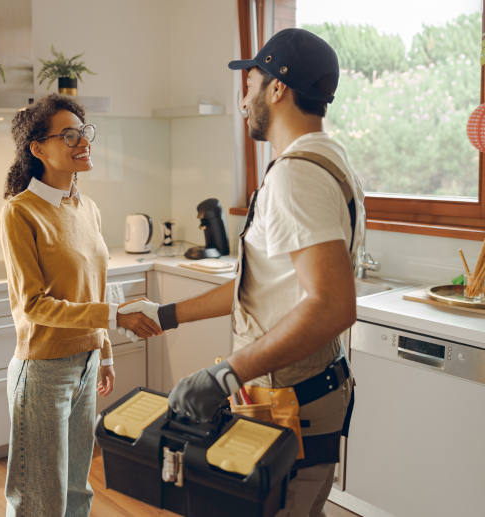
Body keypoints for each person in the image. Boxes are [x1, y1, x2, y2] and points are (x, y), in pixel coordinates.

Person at [120, 29, 366, 517]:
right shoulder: (330, 158)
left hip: (292, 398)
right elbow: (264, 288)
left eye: (251, 83)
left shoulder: (296, 175)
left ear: (278, 89)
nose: (244, 99)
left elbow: (333, 304)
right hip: (309, 390)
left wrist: (226, 375)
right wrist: (166, 314)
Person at [0, 93, 163, 517]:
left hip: (87, 362)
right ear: (38, 149)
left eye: (84, 132)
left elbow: (97, 286)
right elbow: (34, 305)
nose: (82, 141)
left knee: (76, 489)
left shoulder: (87, 207)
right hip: (43, 371)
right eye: (68, 135)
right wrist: (114, 318)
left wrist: (104, 351)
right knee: (40, 497)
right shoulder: (21, 213)